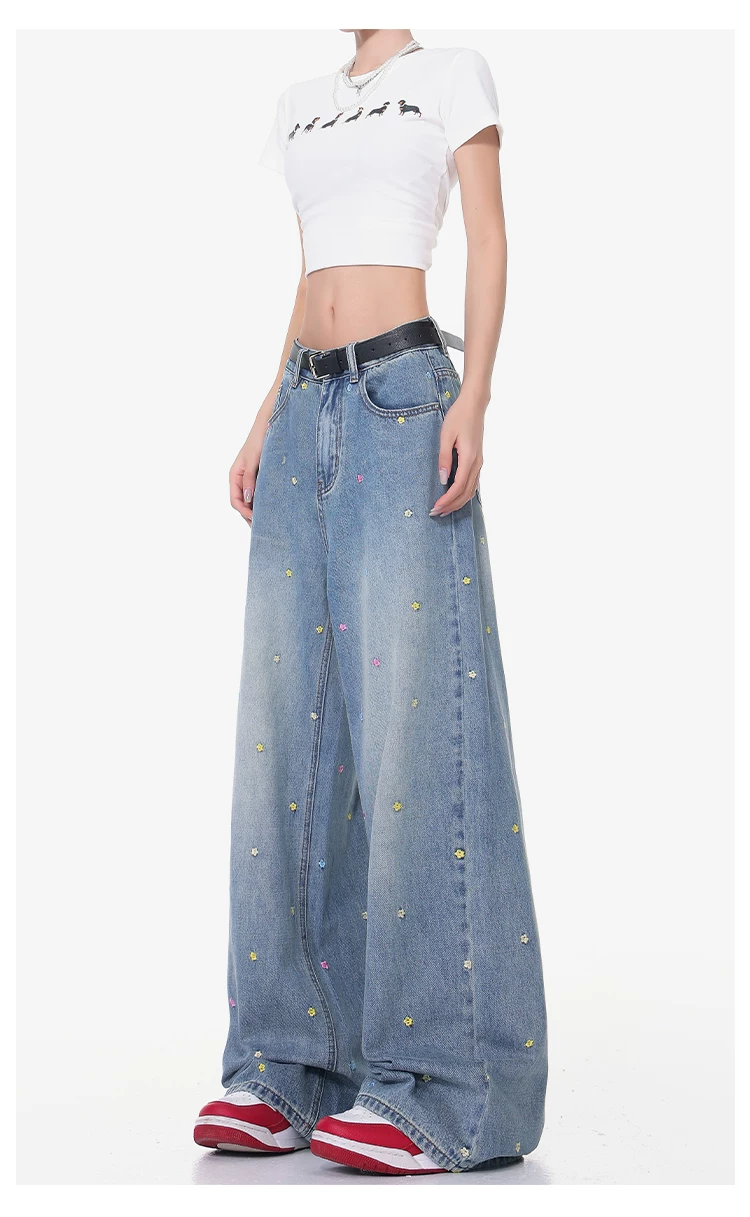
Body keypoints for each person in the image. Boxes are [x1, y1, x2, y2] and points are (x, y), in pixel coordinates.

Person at [193, 28, 548, 1176]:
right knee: (283, 742)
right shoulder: (301, 99)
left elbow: (488, 235)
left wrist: (475, 395)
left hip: (404, 399)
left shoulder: (451, 74)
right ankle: (288, 1065)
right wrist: (266, 416)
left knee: (416, 738)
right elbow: (312, 275)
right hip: (306, 409)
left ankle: (449, 1084)